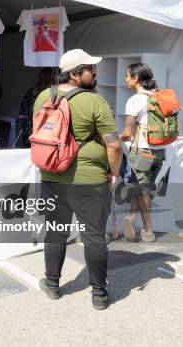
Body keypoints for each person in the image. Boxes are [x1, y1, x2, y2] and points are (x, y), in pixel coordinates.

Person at [34, 49, 122, 310]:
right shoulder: (95, 101)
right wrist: (114, 173)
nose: (94, 72)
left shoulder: (42, 96)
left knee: (55, 232)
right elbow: (114, 146)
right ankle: (99, 295)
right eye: (89, 68)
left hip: (51, 176)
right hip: (90, 180)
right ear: (74, 73)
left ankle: (52, 284)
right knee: (94, 236)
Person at [119, 63, 166, 242]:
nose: (125, 79)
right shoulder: (159, 95)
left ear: (136, 78)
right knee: (140, 188)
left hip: (142, 152)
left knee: (142, 191)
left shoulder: (135, 100)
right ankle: (131, 218)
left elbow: (127, 133)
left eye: (127, 76)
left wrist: (113, 139)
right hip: (159, 151)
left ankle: (148, 231)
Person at [18, 67, 58, 147]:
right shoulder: (56, 93)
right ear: (54, 78)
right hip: (51, 132)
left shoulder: (31, 92)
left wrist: (25, 129)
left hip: (32, 131)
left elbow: (23, 115)